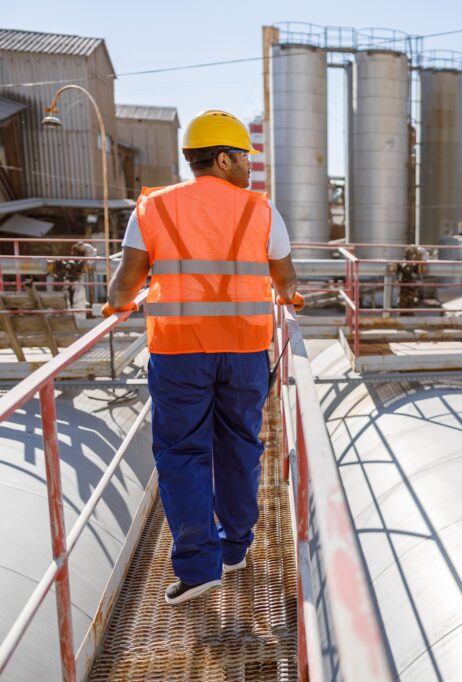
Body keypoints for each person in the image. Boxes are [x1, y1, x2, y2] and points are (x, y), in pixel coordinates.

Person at [104, 109, 304, 605]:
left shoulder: (152, 210)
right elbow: (286, 279)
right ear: (221, 158)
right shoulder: (263, 211)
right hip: (245, 350)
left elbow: (127, 281)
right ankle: (235, 548)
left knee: (182, 455)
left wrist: (117, 305)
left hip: (179, 351)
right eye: (244, 158)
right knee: (239, 445)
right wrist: (292, 298)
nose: (250, 168)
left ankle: (199, 569)